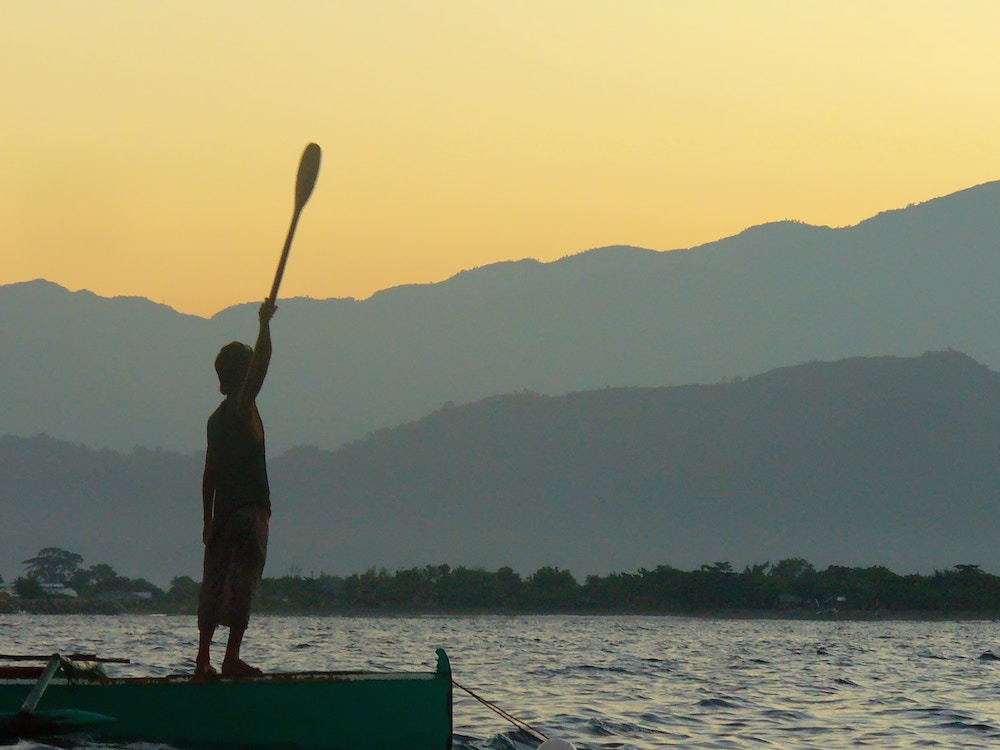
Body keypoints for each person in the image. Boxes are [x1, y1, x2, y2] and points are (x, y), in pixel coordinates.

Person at [195, 300, 276, 678]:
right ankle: (227, 658)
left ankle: (203, 660)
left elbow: (208, 475)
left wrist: (207, 522)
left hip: (224, 516)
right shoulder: (242, 407)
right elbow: (263, 364)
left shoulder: (216, 419)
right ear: (240, 377)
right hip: (247, 514)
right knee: (241, 584)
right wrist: (264, 325)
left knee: (214, 584)